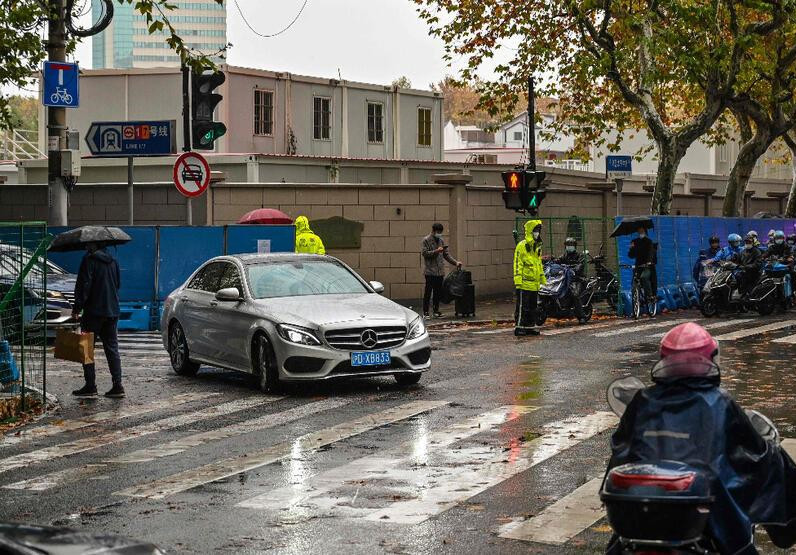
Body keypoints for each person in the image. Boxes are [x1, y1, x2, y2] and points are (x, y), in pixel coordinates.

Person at [606, 323, 796, 554]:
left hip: (642, 520)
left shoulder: (643, 400)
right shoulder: (720, 403)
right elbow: (757, 456)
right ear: (711, 358)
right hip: (713, 523)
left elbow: (620, 452)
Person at [71, 243, 124, 398]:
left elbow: (84, 285)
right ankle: (118, 385)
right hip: (112, 311)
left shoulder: (89, 260)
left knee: (87, 349)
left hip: (93, 313)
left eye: (88, 243)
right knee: (112, 348)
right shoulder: (113, 260)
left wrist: (77, 308)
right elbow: (118, 284)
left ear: (93, 245)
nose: (86, 245)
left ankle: (90, 385)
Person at [421, 223, 461, 318]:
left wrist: (455, 262)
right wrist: (436, 251)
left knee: (437, 292)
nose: (439, 234)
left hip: (440, 271)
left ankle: (436, 310)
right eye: (438, 232)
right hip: (430, 271)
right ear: (433, 231)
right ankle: (425, 311)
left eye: (440, 232)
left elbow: (446, 255)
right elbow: (425, 253)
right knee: (428, 292)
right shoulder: (426, 240)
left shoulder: (441, 241)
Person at [513, 219, 546, 336]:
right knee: (523, 306)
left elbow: (539, 264)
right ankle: (520, 326)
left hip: (534, 283)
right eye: (536, 230)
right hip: (524, 283)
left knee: (533, 307)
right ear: (530, 231)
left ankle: (530, 326)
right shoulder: (522, 246)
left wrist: (542, 278)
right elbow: (518, 264)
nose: (537, 233)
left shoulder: (537, 247)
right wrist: (518, 281)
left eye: (539, 230)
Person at [554, 237, 587, 324]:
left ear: (575, 246)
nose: (569, 247)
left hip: (577, 279)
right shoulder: (564, 256)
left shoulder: (580, 256)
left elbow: (579, 267)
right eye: (568, 245)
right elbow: (557, 261)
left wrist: (574, 269)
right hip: (565, 279)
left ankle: (581, 316)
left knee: (575, 294)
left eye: (571, 245)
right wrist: (550, 260)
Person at [627, 226, 656, 307]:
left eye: (642, 230)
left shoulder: (649, 242)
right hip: (638, 265)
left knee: (644, 277)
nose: (640, 232)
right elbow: (631, 256)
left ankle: (649, 296)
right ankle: (637, 297)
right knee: (634, 282)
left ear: (645, 231)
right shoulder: (635, 241)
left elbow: (651, 253)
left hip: (647, 266)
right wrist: (631, 248)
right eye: (639, 231)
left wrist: (648, 262)